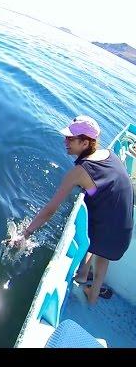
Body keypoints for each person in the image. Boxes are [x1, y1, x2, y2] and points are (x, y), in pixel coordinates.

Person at [15, 116, 134, 304]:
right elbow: (98, 188)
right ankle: (91, 291)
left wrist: (26, 234)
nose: (65, 142)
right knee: (102, 252)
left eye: (71, 139)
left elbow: (50, 210)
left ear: (85, 142)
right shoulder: (110, 155)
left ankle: (83, 276)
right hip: (123, 238)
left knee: (89, 227)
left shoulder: (79, 172)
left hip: (105, 237)